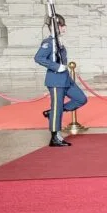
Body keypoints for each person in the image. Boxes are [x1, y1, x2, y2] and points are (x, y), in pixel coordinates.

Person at [34, 13, 87, 147]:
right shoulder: (49, 43)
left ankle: (52, 113)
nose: (64, 28)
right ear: (55, 27)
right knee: (56, 107)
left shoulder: (58, 42)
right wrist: (57, 67)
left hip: (65, 79)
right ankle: (55, 137)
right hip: (56, 80)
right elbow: (38, 58)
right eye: (62, 25)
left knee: (81, 99)